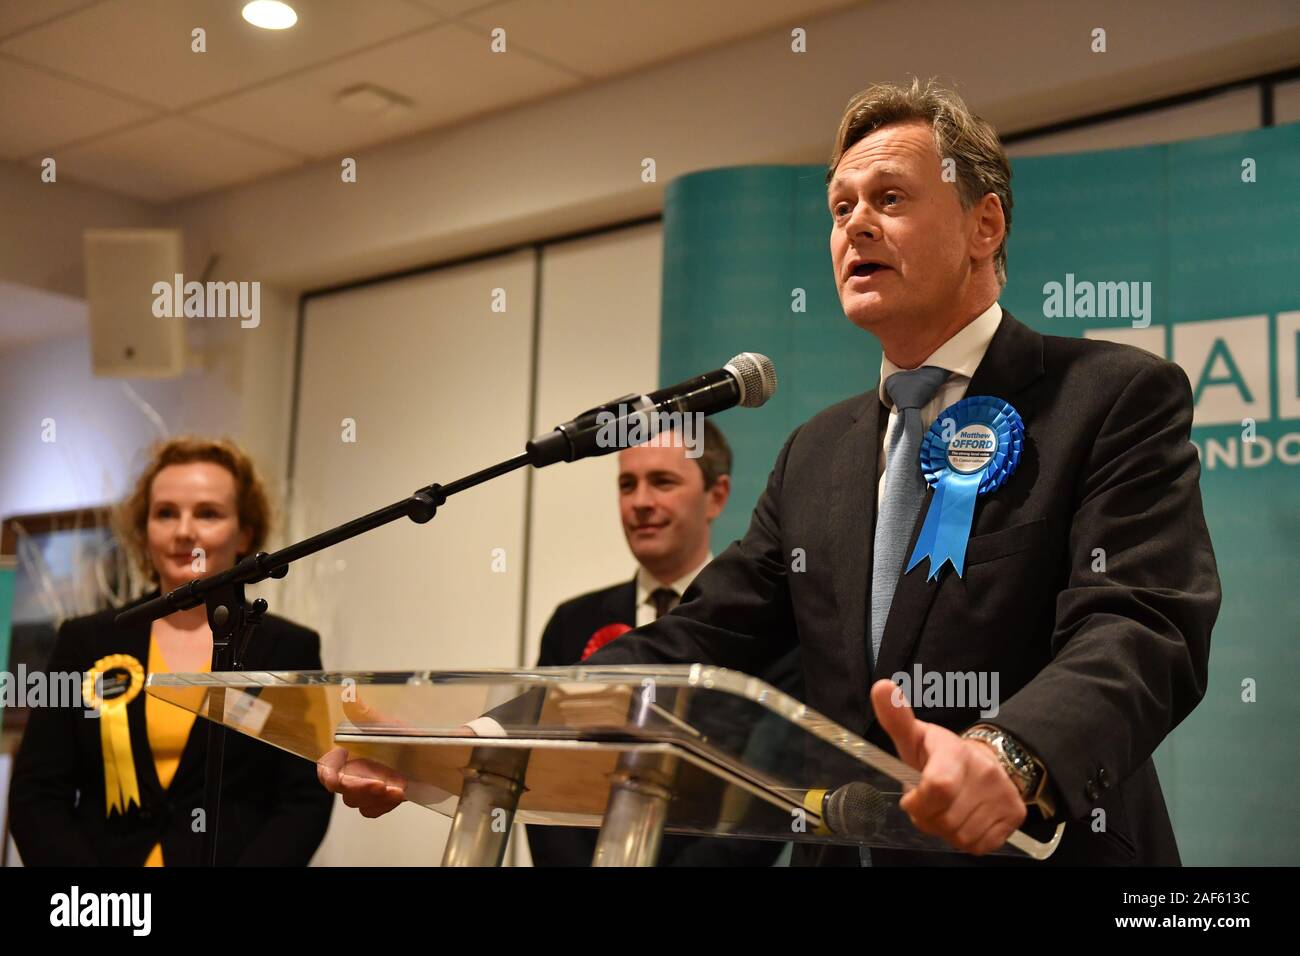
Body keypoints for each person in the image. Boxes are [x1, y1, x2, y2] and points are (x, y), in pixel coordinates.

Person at [322, 78, 1220, 867]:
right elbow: (695, 638)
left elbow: (1141, 625)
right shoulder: (816, 454)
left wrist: (1010, 754)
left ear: (984, 224)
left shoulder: (1109, 395)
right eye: (840, 207)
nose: (855, 224)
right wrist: (480, 734)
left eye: (890, 198)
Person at [10, 436, 333, 866]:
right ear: (144, 531)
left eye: (207, 513)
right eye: (165, 513)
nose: (184, 531)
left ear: (245, 533)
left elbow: (303, 800)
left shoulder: (289, 647)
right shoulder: (84, 641)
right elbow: (36, 796)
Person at [526, 420, 802, 866]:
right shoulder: (571, 624)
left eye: (662, 482)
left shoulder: (769, 631)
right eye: (627, 484)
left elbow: (764, 802)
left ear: (717, 495)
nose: (640, 502)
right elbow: (542, 775)